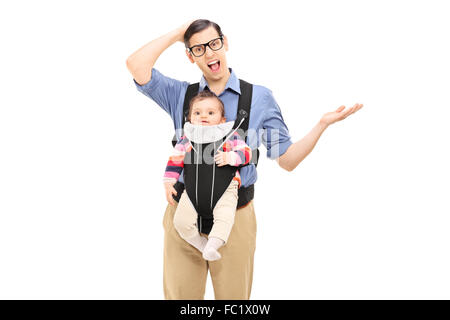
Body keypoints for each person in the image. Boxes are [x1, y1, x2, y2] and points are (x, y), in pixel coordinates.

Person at [126, 19, 363, 300]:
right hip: (183, 213)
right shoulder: (180, 94)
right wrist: (180, 33)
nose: (210, 53)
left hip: (235, 216)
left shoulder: (258, 97)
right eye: (199, 49)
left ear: (225, 43)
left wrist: (321, 125)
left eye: (214, 44)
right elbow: (136, 65)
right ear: (189, 56)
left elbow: (286, 160)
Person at [163, 90, 252, 261]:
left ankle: (213, 245)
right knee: (180, 222)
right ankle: (202, 245)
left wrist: (231, 157)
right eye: (197, 113)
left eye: (211, 113)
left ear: (222, 120)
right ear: (190, 119)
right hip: (193, 190)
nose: (204, 116)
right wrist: (168, 182)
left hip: (226, 188)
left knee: (225, 218)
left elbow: (247, 153)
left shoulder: (231, 136)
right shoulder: (186, 139)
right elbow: (175, 161)